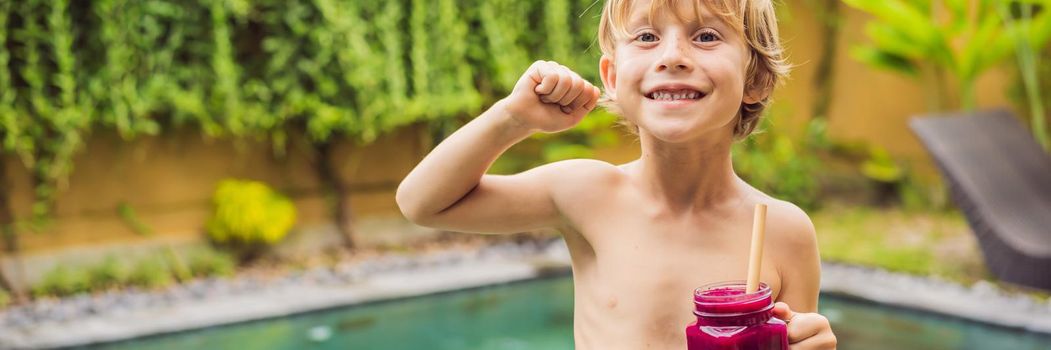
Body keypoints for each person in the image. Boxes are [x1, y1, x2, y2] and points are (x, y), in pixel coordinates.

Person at [396, 0, 837, 348]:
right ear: (610, 76)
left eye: (705, 36)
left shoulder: (783, 230)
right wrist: (513, 118)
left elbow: (795, 336)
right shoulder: (585, 193)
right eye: (646, 36)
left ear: (755, 78)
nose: (673, 56)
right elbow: (422, 203)